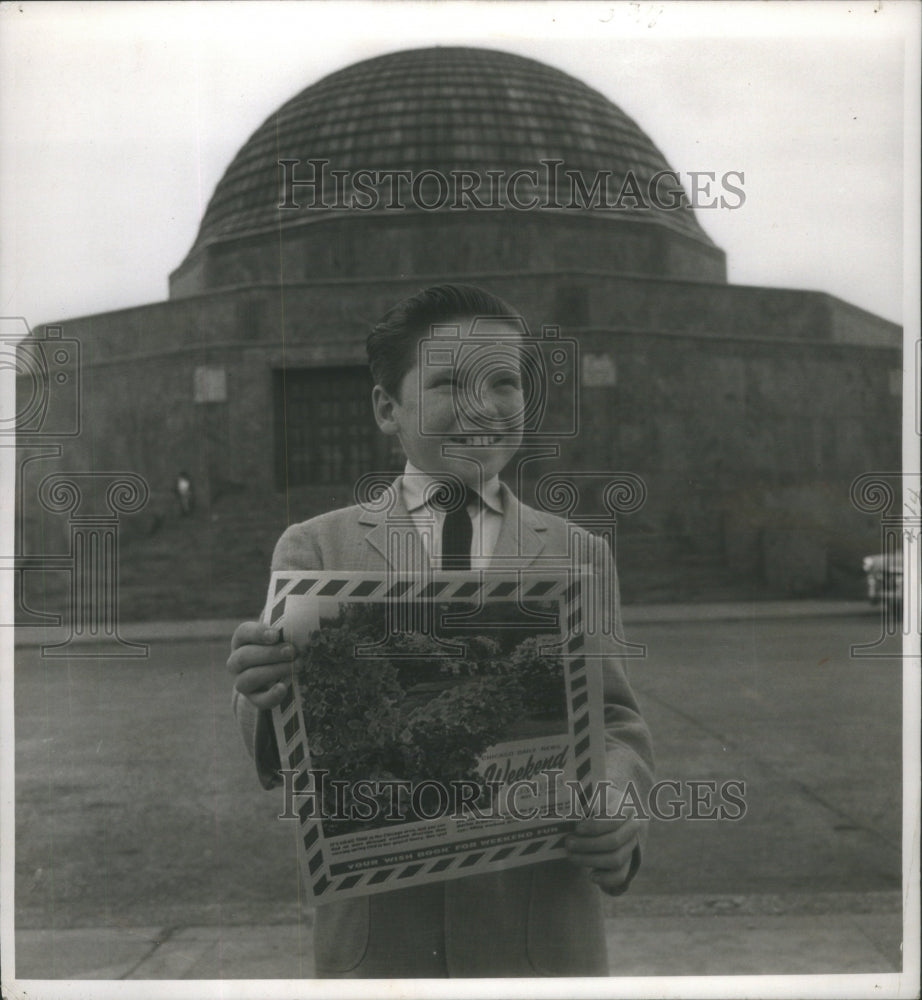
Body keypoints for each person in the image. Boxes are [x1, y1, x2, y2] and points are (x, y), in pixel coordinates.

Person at [228, 284, 654, 978]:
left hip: (539, 940)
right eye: (449, 383)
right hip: (382, 946)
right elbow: (286, 741)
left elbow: (615, 718)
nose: (483, 407)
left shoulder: (578, 554)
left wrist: (619, 800)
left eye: (504, 382)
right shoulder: (313, 552)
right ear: (386, 408)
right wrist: (261, 691)